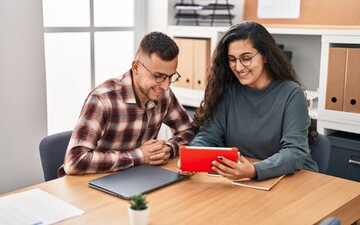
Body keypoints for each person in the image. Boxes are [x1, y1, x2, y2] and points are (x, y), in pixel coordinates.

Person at [186, 21, 318, 180]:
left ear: (266, 56)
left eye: (246, 58)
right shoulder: (229, 91)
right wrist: (192, 159)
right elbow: (208, 136)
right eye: (232, 59)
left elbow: (294, 153)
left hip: (293, 179)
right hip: (245, 180)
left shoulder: (291, 93)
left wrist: (254, 170)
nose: (239, 67)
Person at [58, 31, 195, 176]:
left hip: (138, 178)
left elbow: (189, 131)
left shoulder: (163, 95)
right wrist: (139, 156)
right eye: (158, 76)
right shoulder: (103, 99)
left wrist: (169, 148)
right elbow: (75, 161)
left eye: (170, 76)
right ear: (136, 68)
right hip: (94, 181)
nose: (166, 86)